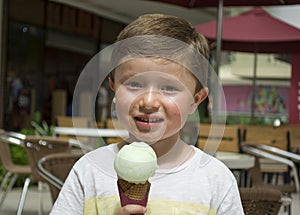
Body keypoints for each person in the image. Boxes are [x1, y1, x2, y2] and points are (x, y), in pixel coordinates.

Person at [50, 14, 244, 215]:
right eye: (134, 84)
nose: (148, 102)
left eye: (169, 88)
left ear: (195, 100)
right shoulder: (88, 171)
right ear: (114, 88)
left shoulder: (216, 180)